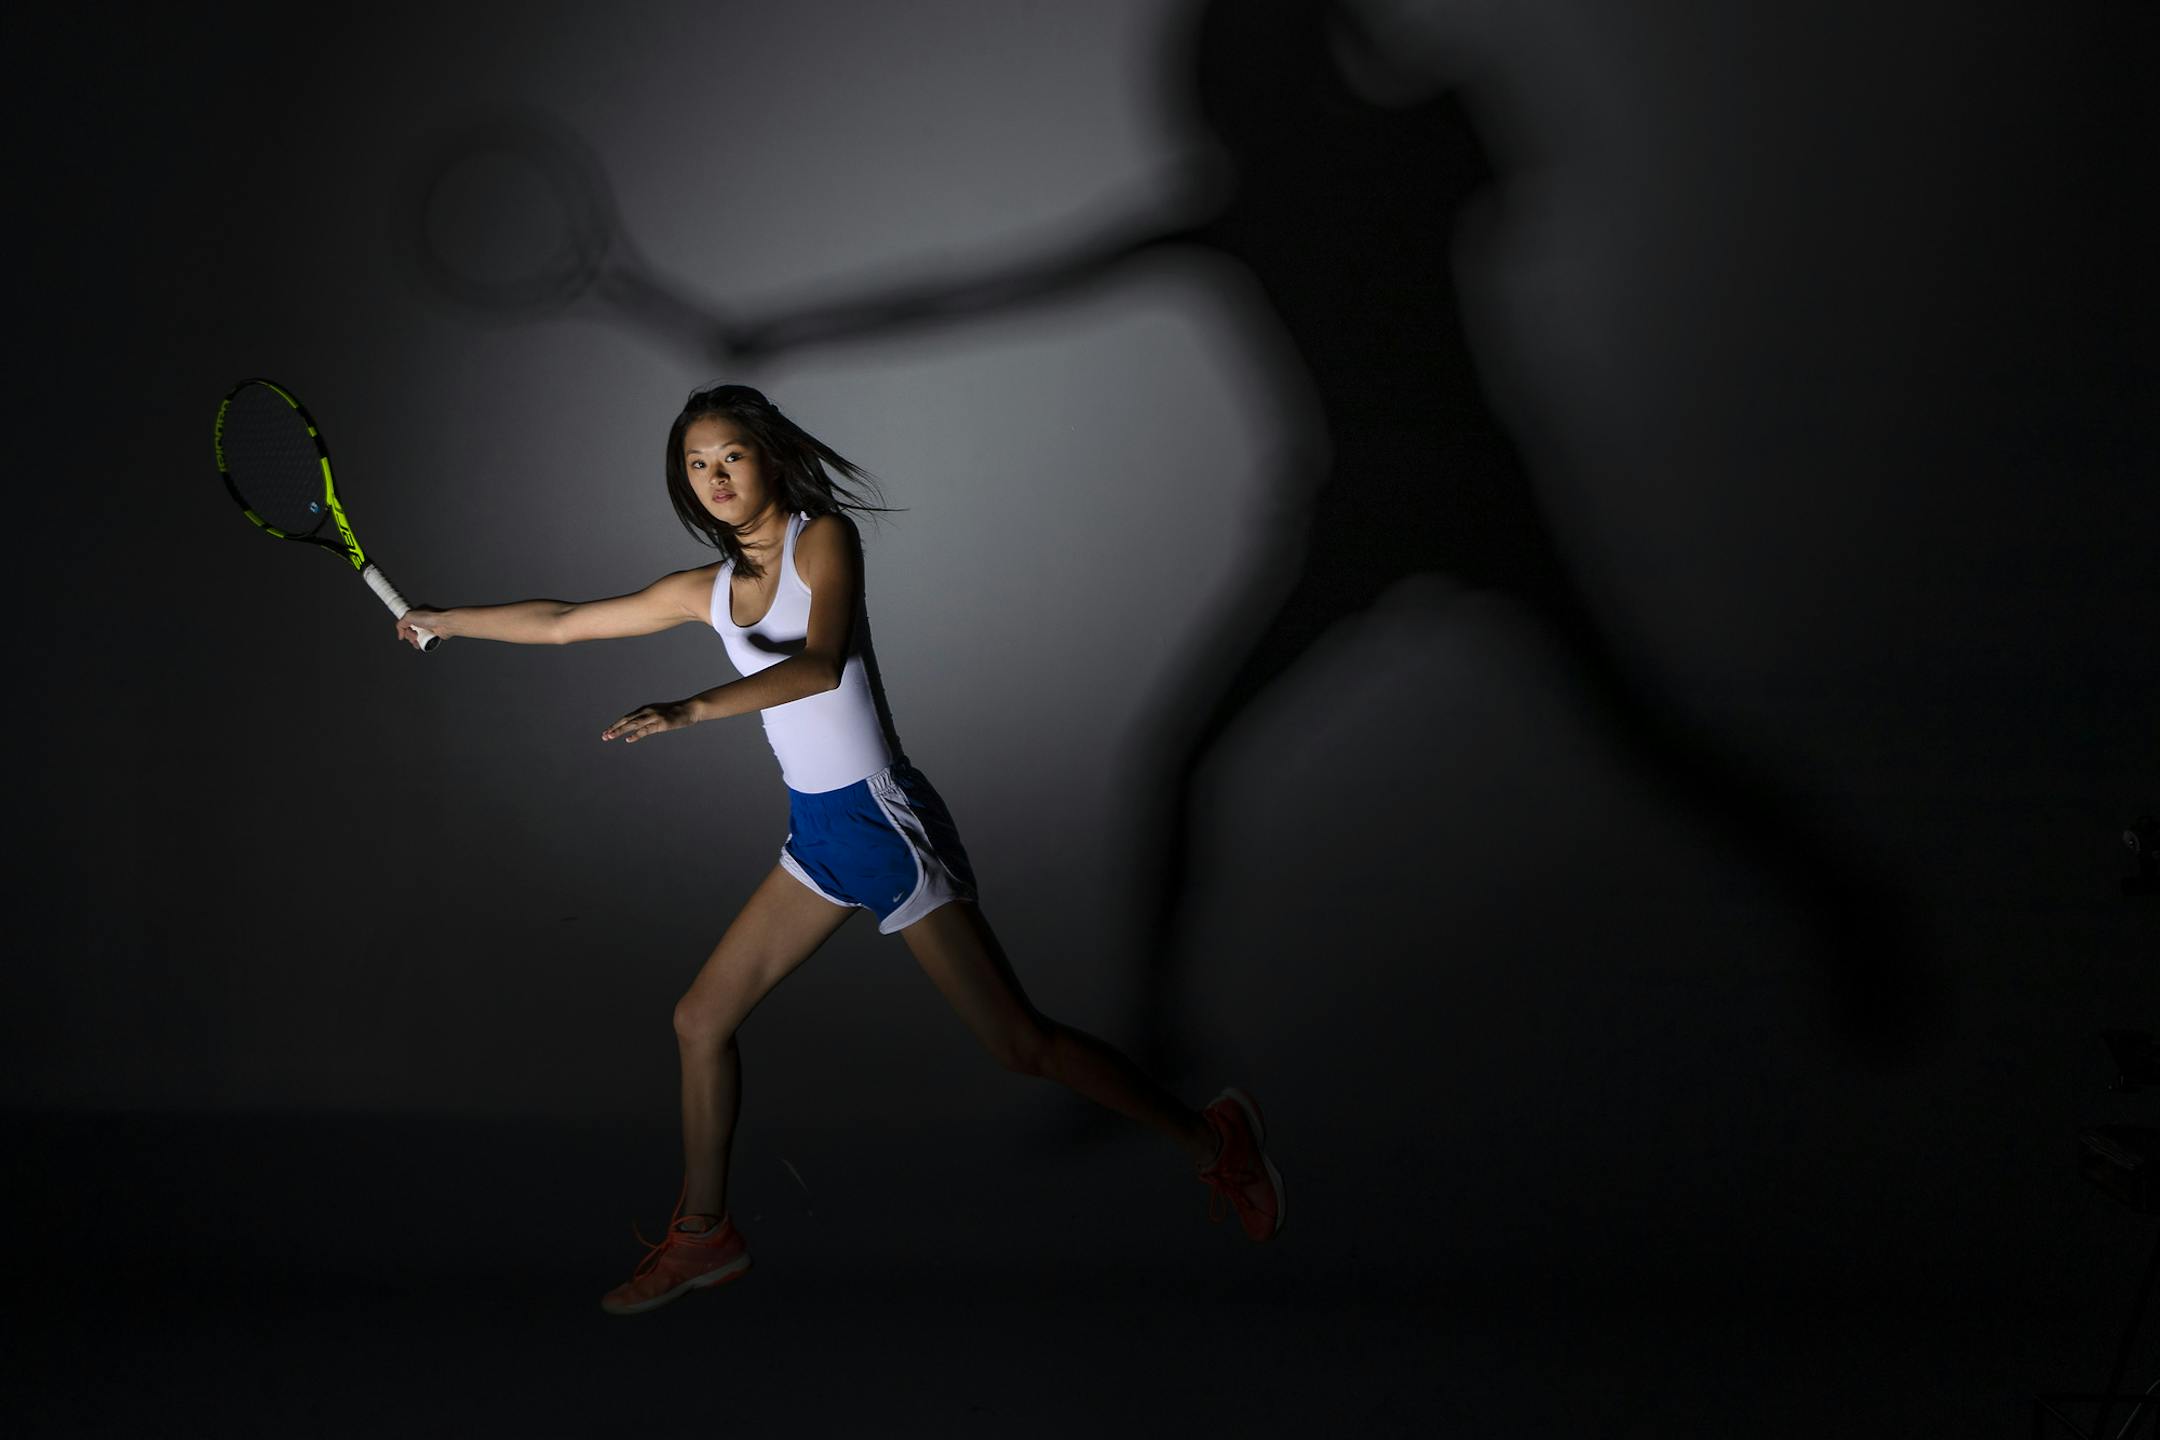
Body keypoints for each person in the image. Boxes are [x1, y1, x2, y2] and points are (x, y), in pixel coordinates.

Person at [396, 383, 1284, 1315]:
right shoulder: (705, 591)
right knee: (700, 1021)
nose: (716, 477)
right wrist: (443, 619)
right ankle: (705, 1236)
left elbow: (820, 666)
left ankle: (1209, 1139)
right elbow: (567, 620)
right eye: (698, 464)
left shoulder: (821, 538)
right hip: (817, 833)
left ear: (768, 455)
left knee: (1019, 1045)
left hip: (883, 821)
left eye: (731, 455)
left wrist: (692, 708)